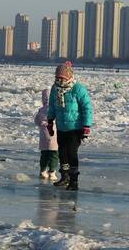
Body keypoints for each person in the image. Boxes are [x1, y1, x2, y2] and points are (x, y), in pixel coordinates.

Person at [47, 61, 93, 190]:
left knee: (71, 153)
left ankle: (74, 180)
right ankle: (65, 177)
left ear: (68, 76)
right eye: (57, 77)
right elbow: (52, 106)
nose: (59, 80)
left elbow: (87, 108)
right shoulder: (54, 88)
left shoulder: (78, 89)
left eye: (62, 78)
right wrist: (50, 121)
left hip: (75, 128)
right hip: (61, 127)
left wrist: (86, 125)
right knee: (62, 153)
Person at [34, 89, 59, 181]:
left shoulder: (41, 110)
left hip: (44, 135)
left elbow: (36, 121)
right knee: (54, 154)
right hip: (54, 134)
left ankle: (43, 171)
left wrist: (42, 124)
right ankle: (52, 171)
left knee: (44, 154)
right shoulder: (56, 108)